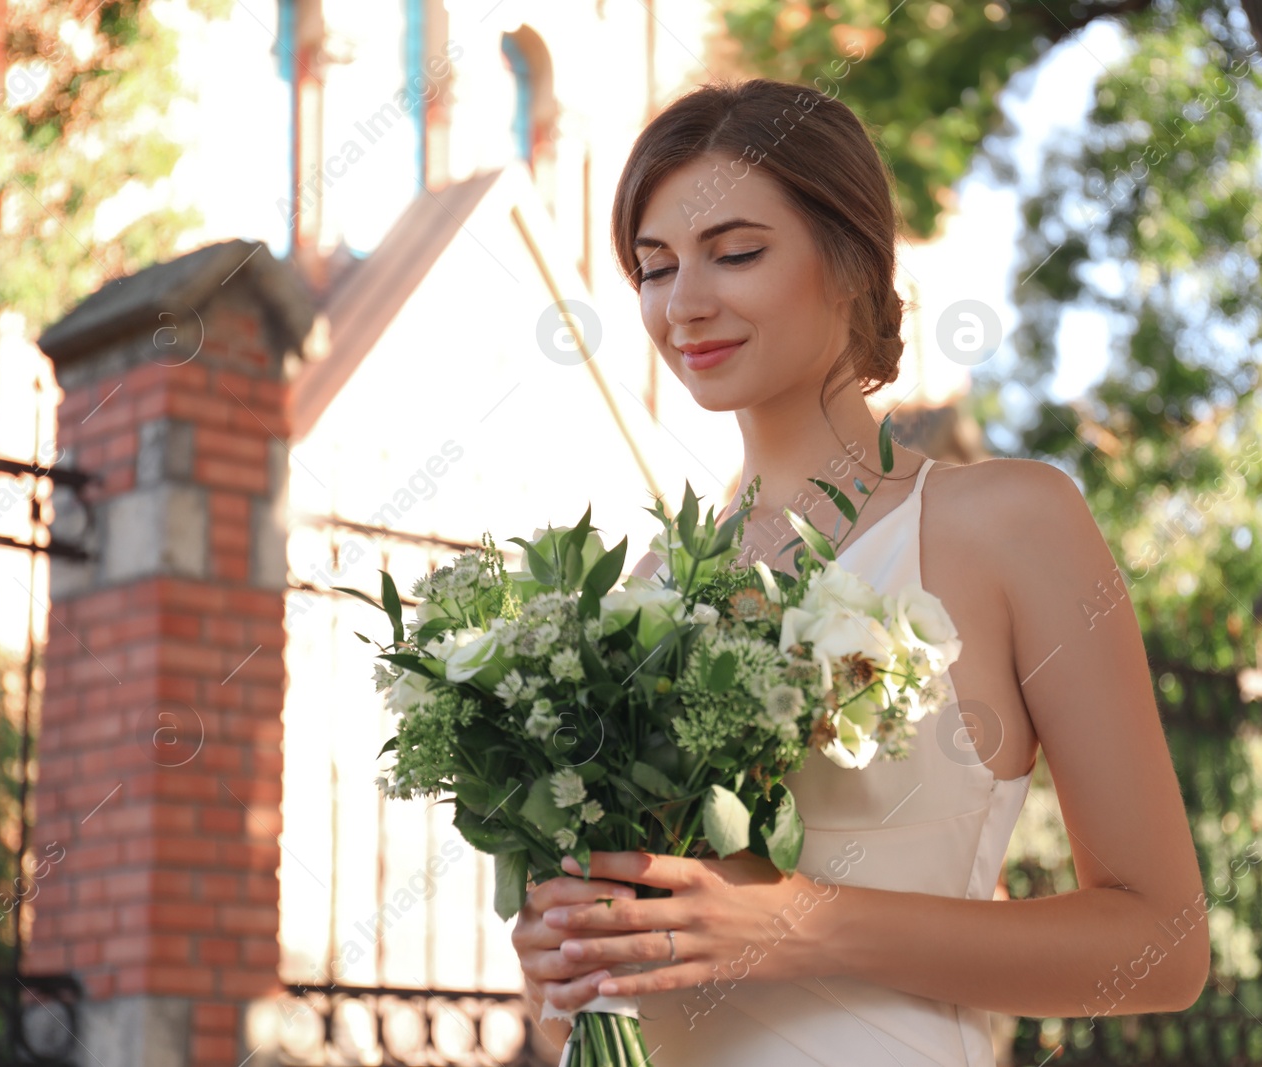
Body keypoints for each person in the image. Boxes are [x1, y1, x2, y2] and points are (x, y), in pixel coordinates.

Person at [510, 77, 1209, 1065]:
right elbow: (604, 992)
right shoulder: (643, 593)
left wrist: (797, 923)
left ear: (850, 261)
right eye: (654, 267)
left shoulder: (1008, 523)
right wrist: (558, 968)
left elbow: (1160, 947)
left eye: (737, 252)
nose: (684, 304)